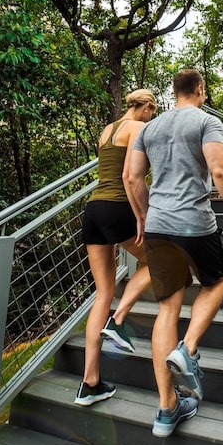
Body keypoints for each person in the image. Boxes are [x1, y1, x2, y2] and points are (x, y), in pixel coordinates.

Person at [127, 69, 223, 437]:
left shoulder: (149, 129)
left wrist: (146, 215)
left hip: (158, 226)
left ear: (173, 92)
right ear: (199, 90)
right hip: (195, 223)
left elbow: (134, 178)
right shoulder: (206, 121)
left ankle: (166, 410)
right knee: (215, 282)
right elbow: (220, 170)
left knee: (167, 307)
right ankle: (189, 348)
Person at [74, 88, 158, 406]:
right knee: (159, 262)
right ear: (147, 107)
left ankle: (90, 383)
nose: (153, 117)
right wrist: (142, 215)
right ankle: (118, 321)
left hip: (93, 210)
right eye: (153, 111)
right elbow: (130, 177)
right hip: (118, 207)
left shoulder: (107, 131)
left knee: (103, 292)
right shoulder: (140, 128)